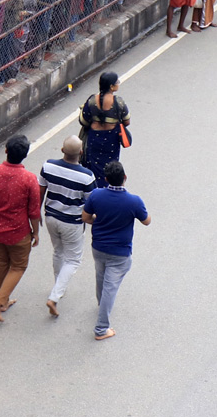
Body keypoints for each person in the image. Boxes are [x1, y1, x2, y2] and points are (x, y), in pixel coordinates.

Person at [80, 161, 150, 341]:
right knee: (111, 287)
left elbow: (86, 217)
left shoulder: (96, 195)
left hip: (98, 247)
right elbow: (146, 221)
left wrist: (99, 219)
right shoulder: (134, 201)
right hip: (120, 252)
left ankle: (100, 303)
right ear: (125, 178)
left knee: (100, 276)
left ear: (106, 179)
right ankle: (102, 328)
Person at [0, 134, 41, 323]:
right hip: (19, 232)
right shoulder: (29, 179)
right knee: (19, 266)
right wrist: (36, 232)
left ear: (6, 150)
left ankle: (3, 301)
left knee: (2, 264)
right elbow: (34, 211)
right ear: (25, 155)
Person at [39, 136, 96, 317]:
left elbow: (40, 191)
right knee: (73, 260)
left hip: (51, 217)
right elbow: (91, 202)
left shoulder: (48, 166)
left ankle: (58, 285)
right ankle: (55, 296)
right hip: (72, 222)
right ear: (81, 152)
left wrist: (37, 215)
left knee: (58, 251)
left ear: (62, 150)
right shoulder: (87, 176)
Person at [78, 71, 130, 187]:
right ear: (111, 86)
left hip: (94, 140)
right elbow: (127, 121)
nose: (119, 83)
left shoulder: (92, 100)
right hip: (111, 141)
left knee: (93, 169)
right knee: (110, 168)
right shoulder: (119, 102)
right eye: (117, 82)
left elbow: (83, 121)